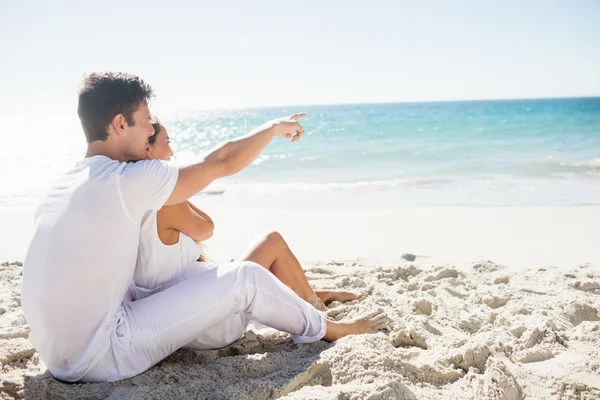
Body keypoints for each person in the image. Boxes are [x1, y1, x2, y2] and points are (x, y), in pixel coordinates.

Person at [21, 72, 389, 384]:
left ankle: (300, 301)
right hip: (101, 356)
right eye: (146, 120)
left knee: (217, 279)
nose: (151, 128)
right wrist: (273, 128)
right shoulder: (125, 180)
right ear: (120, 124)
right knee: (245, 278)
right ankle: (333, 330)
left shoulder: (65, 184)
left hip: (57, 357)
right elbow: (223, 162)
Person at [132, 119, 359, 318]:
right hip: (203, 318)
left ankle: (312, 294)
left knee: (255, 266)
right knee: (271, 242)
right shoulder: (164, 203)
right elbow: (207, 228)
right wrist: (176, 190)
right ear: (147, 150)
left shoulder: (129, 195)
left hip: (177, 306)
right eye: (167, 142)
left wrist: (174, 188)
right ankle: (317, 310)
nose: (172, 153)